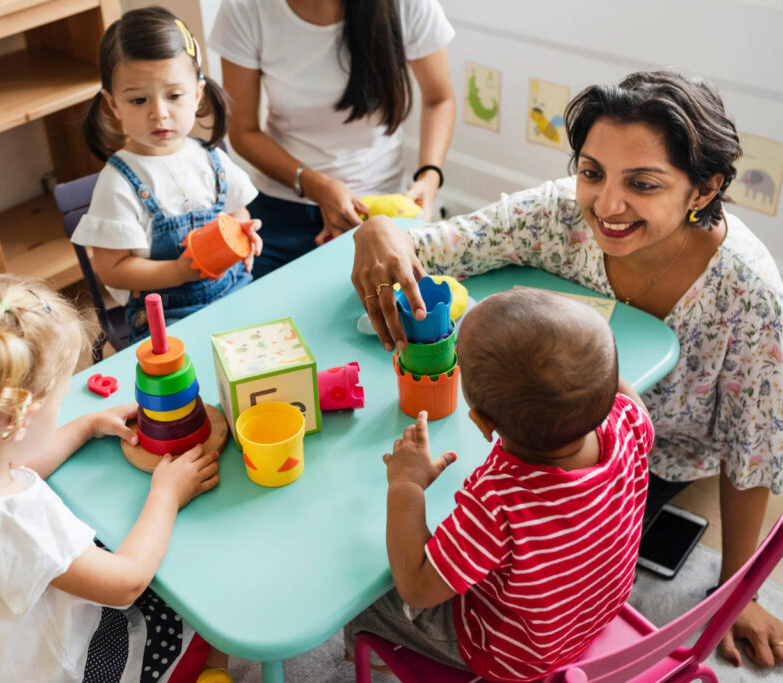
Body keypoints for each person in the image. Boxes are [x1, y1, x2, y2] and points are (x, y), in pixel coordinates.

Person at [351, 69, 783, 666]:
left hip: (652, 463)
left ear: (703, 191)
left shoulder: (751, 295)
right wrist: (379, 229)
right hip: (590, 442)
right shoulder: (557, 214)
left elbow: (751, 451)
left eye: (642, 183)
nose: (606, 206)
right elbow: (434, 247)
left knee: (384, 553)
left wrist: (740, 592)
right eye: (591, 171)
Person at [0, 266, 225, 682]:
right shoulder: (14, 526)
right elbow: (126, 582)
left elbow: (8, 467)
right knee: (198, 605)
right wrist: (166, 494)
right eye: (59, 399)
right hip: (60, 671)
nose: (63, 408)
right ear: (15, 420)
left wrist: (85, 426)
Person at [345, 289, 654, 680]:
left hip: (513, 656)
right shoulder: (628, 421)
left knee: (364, 594)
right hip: (591, 614)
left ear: (482, 422)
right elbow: (626, 398)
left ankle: (376, 656)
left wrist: (406, 484)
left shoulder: (499, 501)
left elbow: (417, 587)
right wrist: (588, 368)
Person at [209, 0, 457, 277]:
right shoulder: (245, 8)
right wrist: (316, 185)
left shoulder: (408, 6)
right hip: (282, 207)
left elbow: (439, 99)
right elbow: (243, 131)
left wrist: (430, 176)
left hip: (379, 208)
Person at [75, 7, 262, 342]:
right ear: (113, 104)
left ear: (197, 94)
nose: (159, 113)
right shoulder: (118, 183)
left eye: (174, 96)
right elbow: (112, 269)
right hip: (168, 317)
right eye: (138, 100)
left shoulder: (210, 158)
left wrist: (241, 234)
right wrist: (178, 271)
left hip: (235, 289)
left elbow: (237, 212)